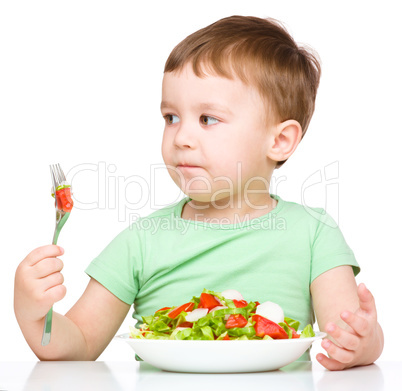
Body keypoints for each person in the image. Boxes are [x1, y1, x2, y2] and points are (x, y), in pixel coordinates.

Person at [14, 15, 383, 370]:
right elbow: (77, 344)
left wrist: (364, 344)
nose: (182, 137)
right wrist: (32, 313)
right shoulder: (142, 240)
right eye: (171, 117)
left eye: (208, 119)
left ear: (280, 140)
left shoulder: (314, 233)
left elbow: (344, 334)